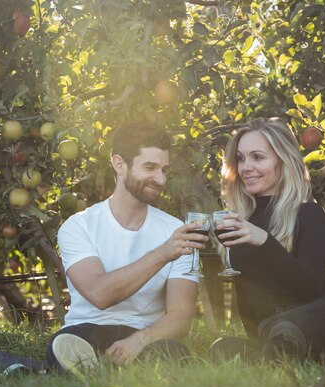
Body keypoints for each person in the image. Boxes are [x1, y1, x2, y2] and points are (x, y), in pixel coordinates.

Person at [46, 121, 207, 373]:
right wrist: (164, 253)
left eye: (164, 170)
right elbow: (100, 294)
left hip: (146, 334)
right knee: (64, 346)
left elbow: (181, 316)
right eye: (150, 168)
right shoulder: (78, 226)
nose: (161, 179)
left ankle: (106, 369)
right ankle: (93, 368)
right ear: (119, 164)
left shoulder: (175, 231)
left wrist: (140, 340)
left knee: (175, 353)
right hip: (87, 330)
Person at [208, 117, 325, 363]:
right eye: (241, 158)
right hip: (271, 330)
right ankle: (277, 354)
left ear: (283, 161)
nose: (245, 167)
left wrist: (265, 241)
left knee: (294, 325)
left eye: (257, 157)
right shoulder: (240, 223)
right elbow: (248, 300)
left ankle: (283, 347)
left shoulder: (308, 214)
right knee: (221, 348)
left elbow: (310, 288)